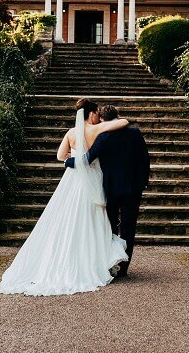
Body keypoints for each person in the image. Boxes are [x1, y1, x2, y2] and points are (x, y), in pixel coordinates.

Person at [0, 98, 130, 296]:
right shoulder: (95, 130)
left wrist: (73, 157)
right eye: (96, 113)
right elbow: (123, 122)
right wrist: (107, 122)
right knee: (92, 217)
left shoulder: (70, 133)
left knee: (67, 216)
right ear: (92, 114)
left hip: (72, 179)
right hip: (91, 180)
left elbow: (60, 156)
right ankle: (92, 260)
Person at [65, 103, 150, 277]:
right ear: (117, 115)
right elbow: (145, 159)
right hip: (133, 188)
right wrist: (143, 182)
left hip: (111, 188)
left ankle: (111, 263)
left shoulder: (102, 137)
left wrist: (68, 162)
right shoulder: (135, 133)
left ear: (102, 119)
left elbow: (86, 160)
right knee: (129, 227)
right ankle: (124, 268)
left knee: (109, 226)